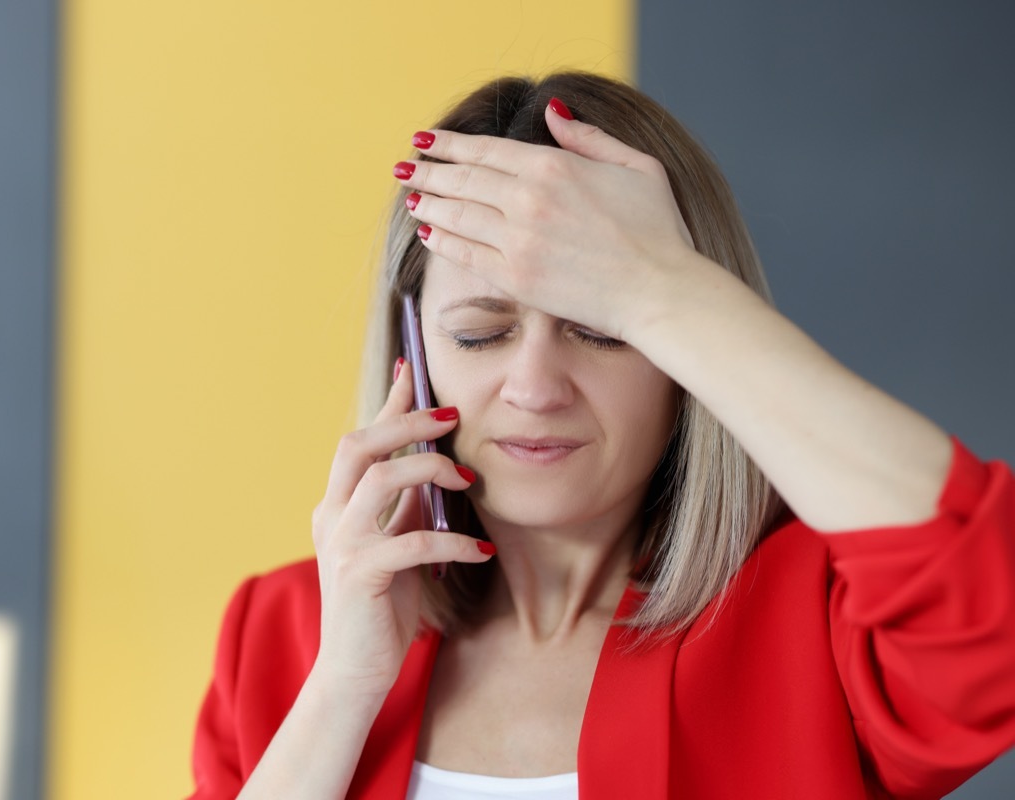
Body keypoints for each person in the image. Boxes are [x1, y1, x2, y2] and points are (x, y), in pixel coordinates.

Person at [187, 72, 1015, 799]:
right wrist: (340, 691)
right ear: (411, 349)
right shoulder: (285, 630)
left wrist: (657, 284)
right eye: (481, 334)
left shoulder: (817, 624)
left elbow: (988, 597)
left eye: (605, 329)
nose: (537, 390)